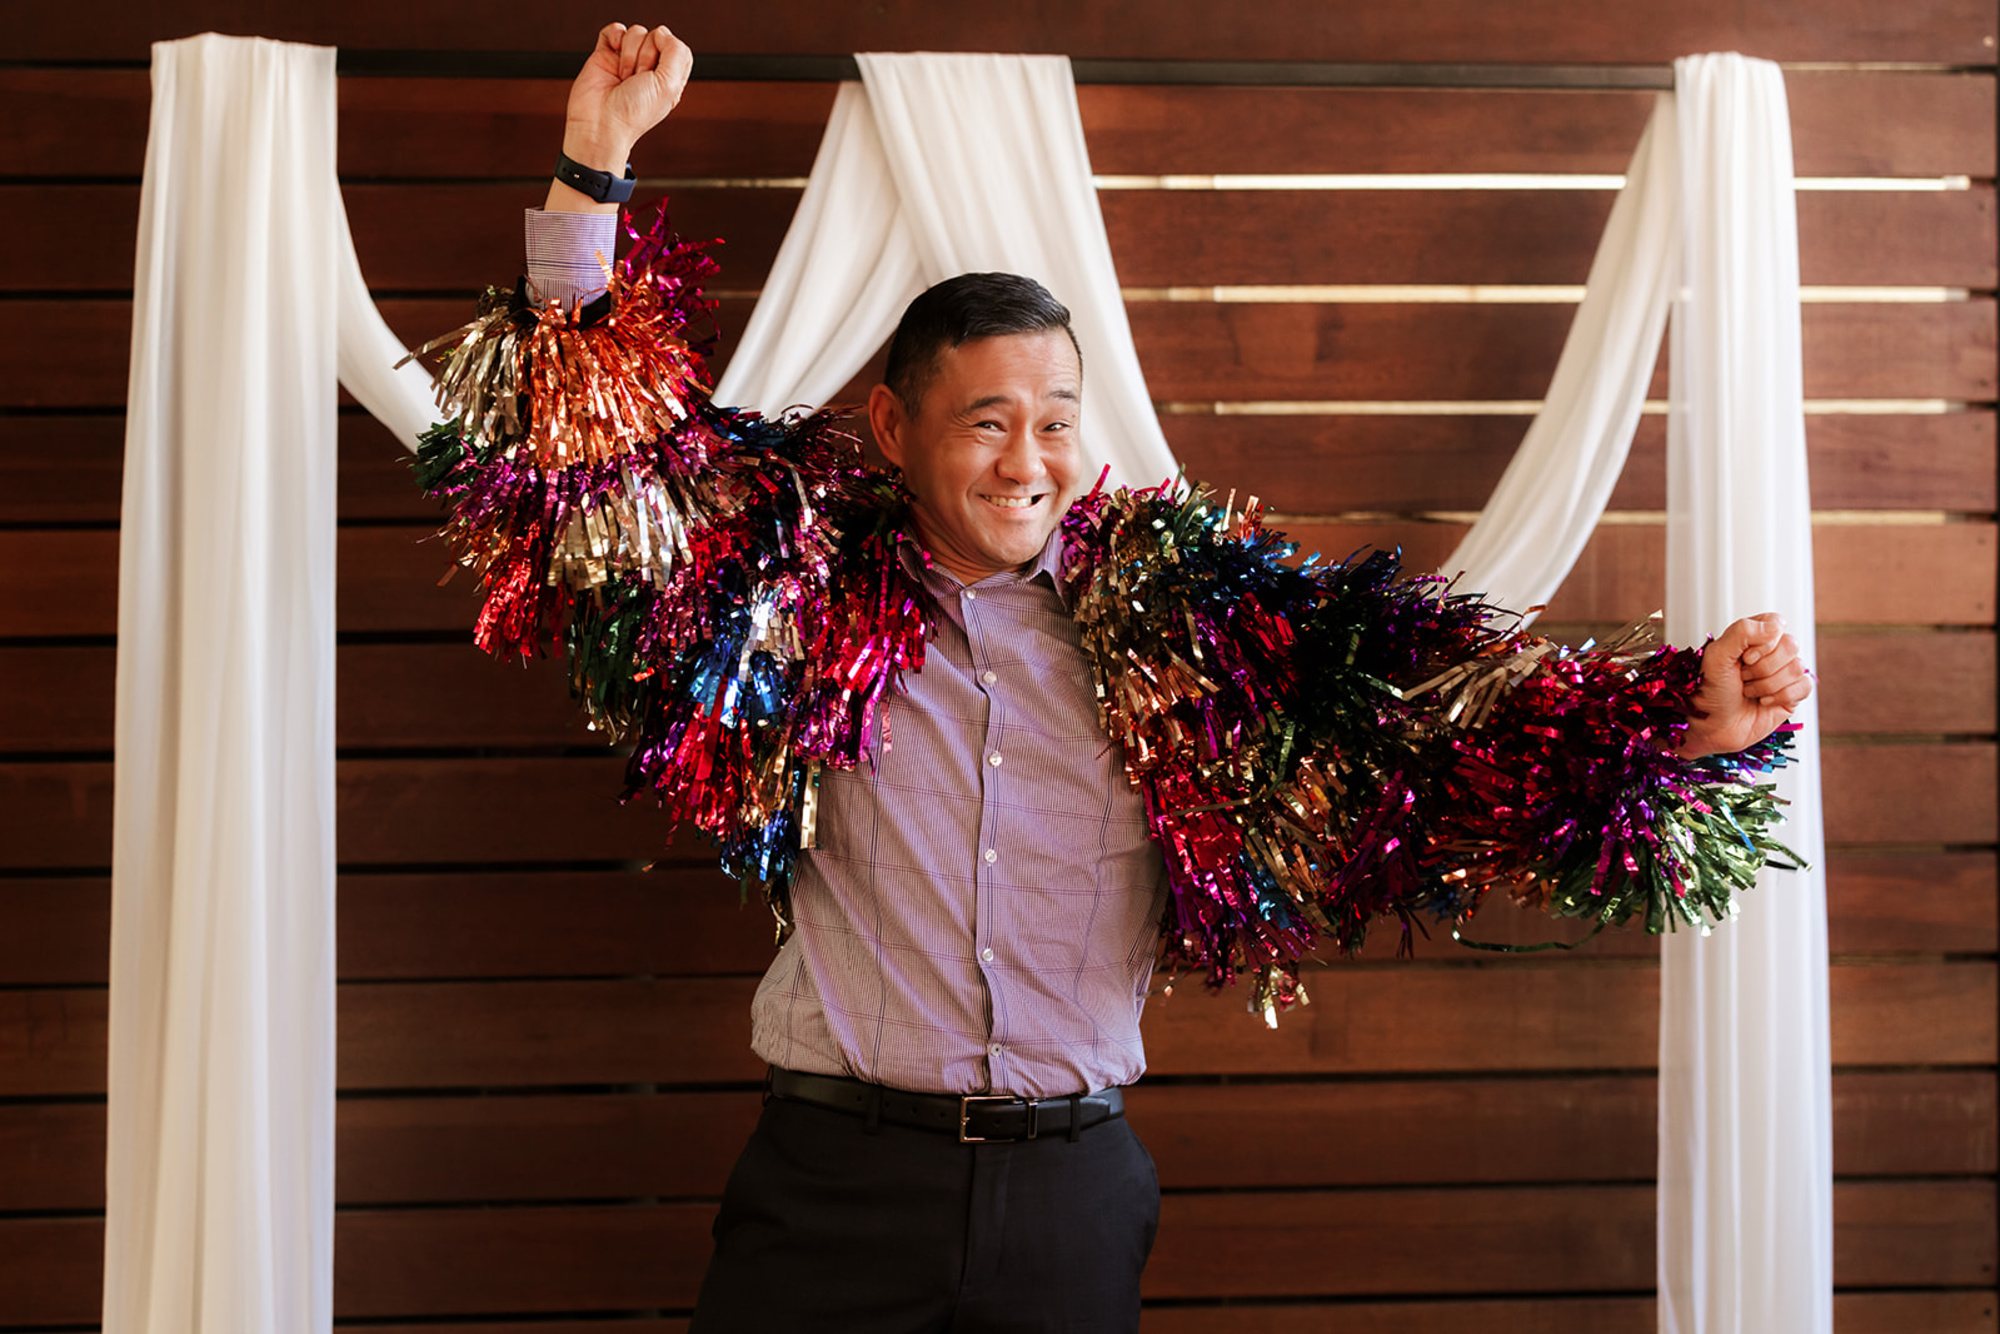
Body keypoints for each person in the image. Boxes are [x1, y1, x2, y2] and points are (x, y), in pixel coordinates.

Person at [419, 21, 1814, 1332]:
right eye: (987, 421)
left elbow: (1427, 736)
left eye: (1055, 421)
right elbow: (599, 473)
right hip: (831, 1180)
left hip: (1071, 1195)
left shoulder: (1183, 629)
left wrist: (1675, 723)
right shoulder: (792, 588)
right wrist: (593, 159)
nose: (1029, 458)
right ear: (895, 427)